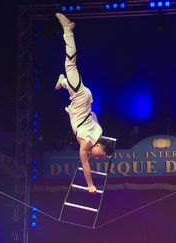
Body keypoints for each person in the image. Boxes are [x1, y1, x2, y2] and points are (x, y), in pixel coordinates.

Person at [55, 13, 114, 193]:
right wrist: (90, 185)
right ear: (98, 146)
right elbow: (85, 165)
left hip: (83, 100)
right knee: (70, 64)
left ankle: (63, 82)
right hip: (81, 98)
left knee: (69, 79)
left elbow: (94, 116)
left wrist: (76, 113)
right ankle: (68, 30)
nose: (99, 158)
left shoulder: (99, 131)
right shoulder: (86, 144)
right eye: (102, 155)